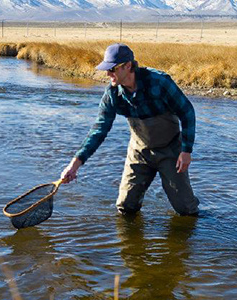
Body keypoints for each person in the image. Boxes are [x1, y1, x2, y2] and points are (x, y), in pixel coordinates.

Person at [60, 44, 199, 216]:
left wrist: (186, 151)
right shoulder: (112, 95)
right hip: (139, 151)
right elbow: (99, 130)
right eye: (106, 69)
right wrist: (74, 165)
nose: (107, 74)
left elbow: (187, 112)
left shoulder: (159, 82)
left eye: (112, 69)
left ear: (128, 66)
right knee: (125, 207)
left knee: (186, 210)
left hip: (171, 150)